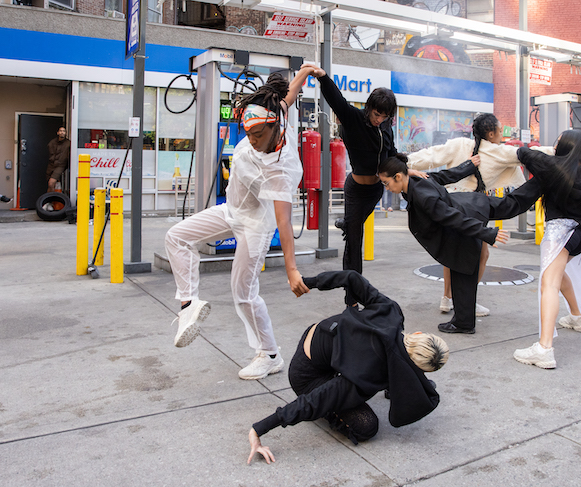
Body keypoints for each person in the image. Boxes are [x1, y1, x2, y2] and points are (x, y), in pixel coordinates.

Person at [164, 70, 314, 381]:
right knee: (176, 237)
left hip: (256, 225)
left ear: (274, 129)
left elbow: (284, 222)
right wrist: (306, 72)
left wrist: (291, 269)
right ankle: (188, 304)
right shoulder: (274, 114)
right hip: (232, 209)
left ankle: (270, 354)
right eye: (249, 135)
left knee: (243, 292)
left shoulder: (281, 169)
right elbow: (288, 96)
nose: (252, 141)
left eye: (258, 136)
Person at [247, 270, 448, 464]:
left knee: (378, 370)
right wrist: (259, 429)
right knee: (366, 426)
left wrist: (309, 282)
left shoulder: (391, 312)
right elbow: (314, 400)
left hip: (323, 334)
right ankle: (329, 412)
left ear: (420, 334)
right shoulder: (367, 373)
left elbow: (351, 277)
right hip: (307, 375)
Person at [378, 153, 542, 334]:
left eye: (386, 183)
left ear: (398, 177)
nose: (386, 188)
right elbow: (445, 176)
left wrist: (487, 233)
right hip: (470, 206)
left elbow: (451, 217)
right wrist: (468, 166)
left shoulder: (423, 196)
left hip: (463, 220)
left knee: (463, 271)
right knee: (512, 204)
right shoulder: (417, 179)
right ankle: (543, 180)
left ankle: (464, 323)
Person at [301, 63, 423, 306]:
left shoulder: (385, 127)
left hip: (377, 189)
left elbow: (391, 153)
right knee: (354, 242)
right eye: (377, 114)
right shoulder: (354, 119)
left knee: (352, 225)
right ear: (369, 108)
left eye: (385, 116)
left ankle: (346, 222)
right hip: (356, 190)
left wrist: (408, 169)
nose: (379, 120)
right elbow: (336, 100)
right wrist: (323, 78)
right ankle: (352, 299)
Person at [406, 113, 527, 317]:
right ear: (491, 133)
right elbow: (524, 155)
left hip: (457, 203)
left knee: (452, 253)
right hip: (469, 207)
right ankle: (465, 300)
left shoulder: (467, 145)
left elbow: (431, 155)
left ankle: (449, 298)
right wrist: (402, 165)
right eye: (499, 130)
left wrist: (403, 163)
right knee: (478, 254)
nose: (501, 134)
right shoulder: (488, 151)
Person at [512, 129, 581, 369]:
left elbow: (525, 154)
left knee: (548, 284)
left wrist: (536, 150)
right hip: (580, 235)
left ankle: (544, 349)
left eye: (558, 143)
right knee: (559, 275)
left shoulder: (555, 168)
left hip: (559, 233)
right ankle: (577, 316)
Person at [46, 126, 71, 192]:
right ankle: (50, 200)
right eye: (60, 131)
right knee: (50, 185)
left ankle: (50, 200)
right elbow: (49, 151)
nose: (62, 132)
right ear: (58, 133)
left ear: (66, 133)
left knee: (51, 183)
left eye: (63, 131)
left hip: (60, 165)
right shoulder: (52, 142)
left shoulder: (68, 143)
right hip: (51, 165)